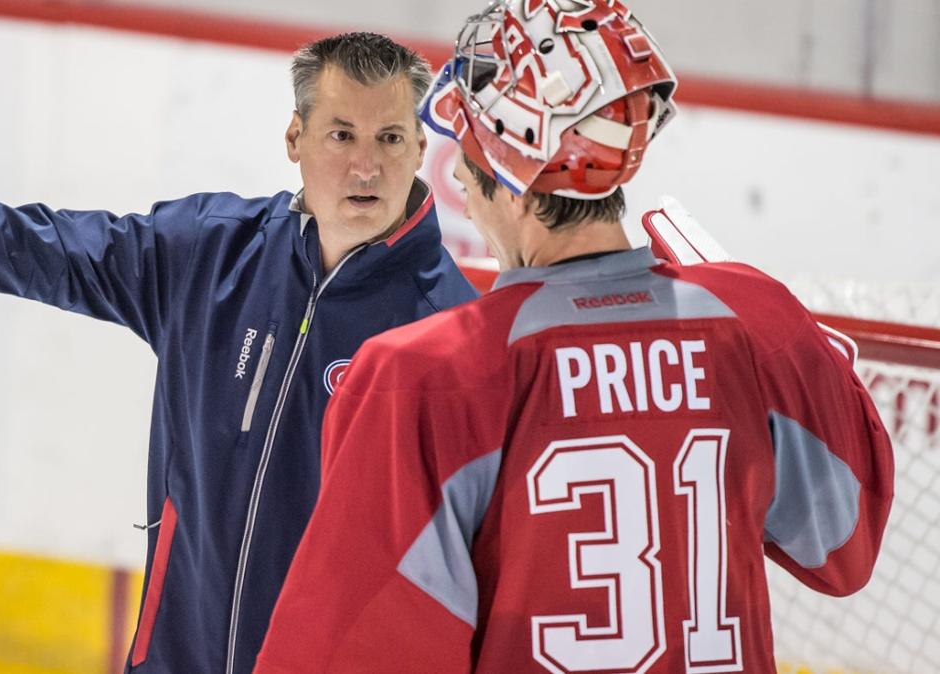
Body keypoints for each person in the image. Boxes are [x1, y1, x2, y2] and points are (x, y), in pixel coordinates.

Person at [0, 33, 477, 674]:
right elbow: (66, 256)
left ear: (421, 145)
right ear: (295, 138)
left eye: (390, 136)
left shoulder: (448, 332)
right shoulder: (213, 251)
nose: (366, 164)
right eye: (341, 134)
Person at [255, 2, 895, 672]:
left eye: (468, 161)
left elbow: (358, 654)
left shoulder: (424, 373)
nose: (462, 192)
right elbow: (844, 547)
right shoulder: (750, 321)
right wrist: (782, 332)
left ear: (510, 184)